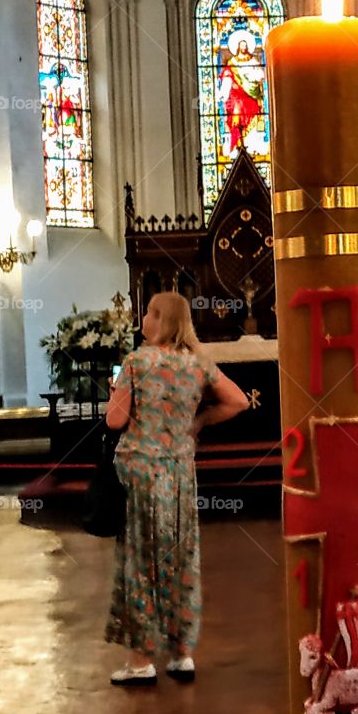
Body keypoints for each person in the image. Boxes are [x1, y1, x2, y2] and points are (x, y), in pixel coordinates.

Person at [104, 291, 249, 684]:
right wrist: (198, 422)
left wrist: (114, 391)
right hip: (180, 473)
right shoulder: (197, 363)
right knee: (181, 557)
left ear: (163, 321)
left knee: (140, 561)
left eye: (150, 313)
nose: (144, 319)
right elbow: (237, 401)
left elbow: (115, 421)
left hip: (140, 473)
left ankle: (140, 661)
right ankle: (182, 654)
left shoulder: (135, 362)